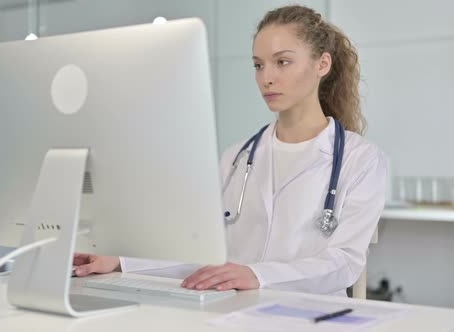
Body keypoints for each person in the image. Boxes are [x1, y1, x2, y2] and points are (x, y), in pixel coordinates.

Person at [72, 5, 387, 297]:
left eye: (283, 62)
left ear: (323, 64)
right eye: (258, 65)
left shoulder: (360, 160)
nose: (267, 78)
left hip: (311, 314)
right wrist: (121, 262)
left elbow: (344, 263)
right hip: (234, 309)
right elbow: (205, 253)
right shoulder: (237, 158)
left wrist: (256, 275)